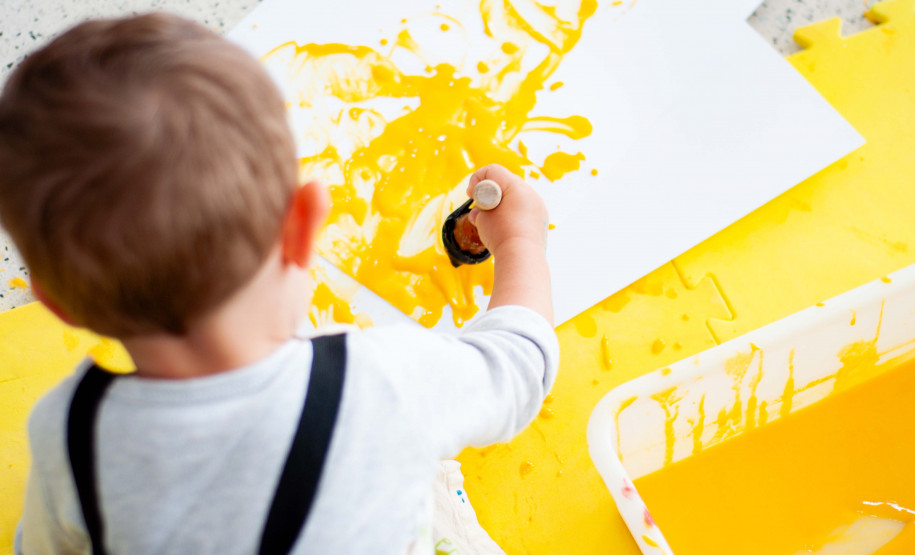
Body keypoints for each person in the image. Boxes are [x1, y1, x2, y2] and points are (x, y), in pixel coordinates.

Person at [0, 13, 557, 554]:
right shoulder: (386, 383)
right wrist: (520, 243)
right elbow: (519, 364)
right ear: (302, 225)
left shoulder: (71, 438)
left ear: (55, 301)